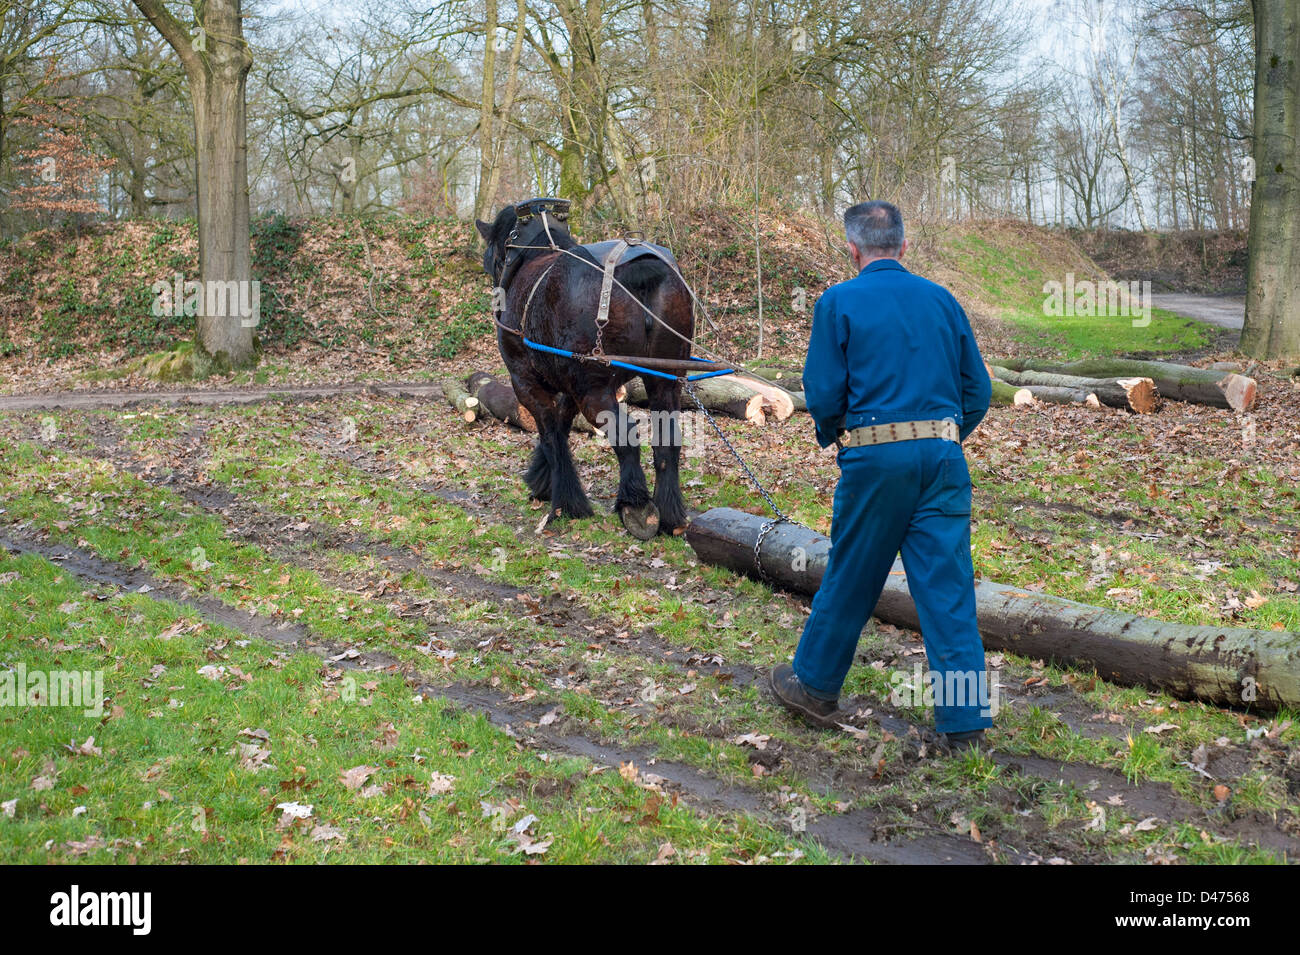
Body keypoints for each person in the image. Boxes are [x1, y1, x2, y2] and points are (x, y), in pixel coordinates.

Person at [768, 200, 994, 751]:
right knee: (948, 590)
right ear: (903, 245)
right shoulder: (942, 300)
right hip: (943, 460)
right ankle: (965, 729)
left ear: (852, 249)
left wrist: (840, 435)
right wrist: (941, 437)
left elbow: (823, 393)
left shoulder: (838, 301)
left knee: (851, 575)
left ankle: (816, 688)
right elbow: (979, 391)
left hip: (875, 460)